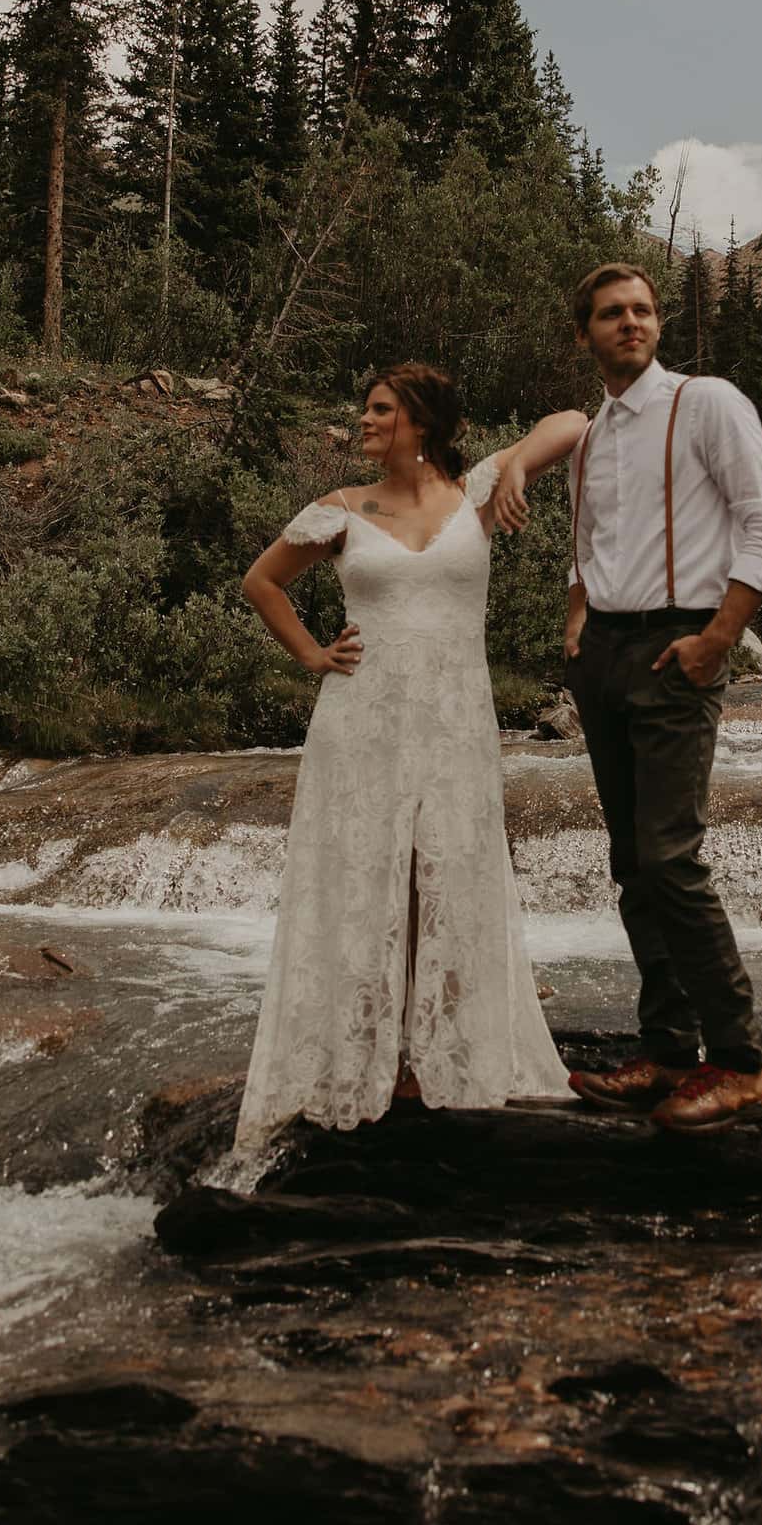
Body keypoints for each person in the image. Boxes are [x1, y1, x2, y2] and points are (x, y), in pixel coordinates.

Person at [232, 361, 586, 1151]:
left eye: (380, 408)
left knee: (446, 872)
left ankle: (439, 1049)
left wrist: (521, 463)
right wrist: (314, 656)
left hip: (457, 719)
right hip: (362, 718)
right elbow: (262, 582)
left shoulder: (479, 493)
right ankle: (372, 1053)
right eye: (365, 407)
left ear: (421, 422)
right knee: (369, 873)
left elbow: (573, 422)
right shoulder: (339, 511)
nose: (363, 420)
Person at [549, 261, 762, 1134]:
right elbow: (589, 541)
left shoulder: (707, 402)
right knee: (631, 865)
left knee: (670, 857)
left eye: (644, 311)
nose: (632, 323)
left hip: (679, 642)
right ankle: (667, 1052)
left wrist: (719, 637)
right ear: (584, 333)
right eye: (612, 313)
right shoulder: (590, 436)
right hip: (606, 654)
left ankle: (740, 1062)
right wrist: (577, 624)